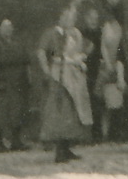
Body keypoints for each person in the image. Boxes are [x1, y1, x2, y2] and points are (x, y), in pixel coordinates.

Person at [38, 12, 93, 164]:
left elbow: (85, 48)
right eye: (68, 18)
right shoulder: (51, 34)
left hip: (74, 75)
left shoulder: (75, 34)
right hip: (59, 76)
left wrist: (80, 58)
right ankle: (59, 151)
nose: (71, 21)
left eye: (73, 18)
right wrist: (47, 71)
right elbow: (41, 52)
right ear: (61, 18)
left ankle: (67, 148)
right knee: (60, 111)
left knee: (73, 112)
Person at [0, 18, 33, 152]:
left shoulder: (17, 43)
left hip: (17, 84)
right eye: (5, 27)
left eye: (10, 26)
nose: (8, 29)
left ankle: (16, 141)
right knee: (0, 113)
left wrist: (29, 78)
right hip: (2, 84)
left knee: (17, 112)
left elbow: (26, 62)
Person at [97, 16, 128, 149]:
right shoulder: (107, 26)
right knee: (109, 99)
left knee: (124, 98)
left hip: (123, 63)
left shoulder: (125, 26)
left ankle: (122, 133)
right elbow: (103, 46)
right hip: (110, 64)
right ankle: (108, 133)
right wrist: (108, 63)